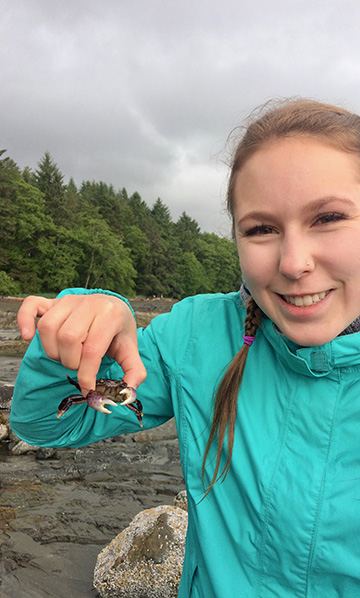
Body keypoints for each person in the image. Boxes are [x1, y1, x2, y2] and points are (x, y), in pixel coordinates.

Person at [10, 97, 360, 597]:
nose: (294, 262)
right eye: (261, 229)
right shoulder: (197, 336)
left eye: (327, 217)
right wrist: (81, 332)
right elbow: (44, 423)